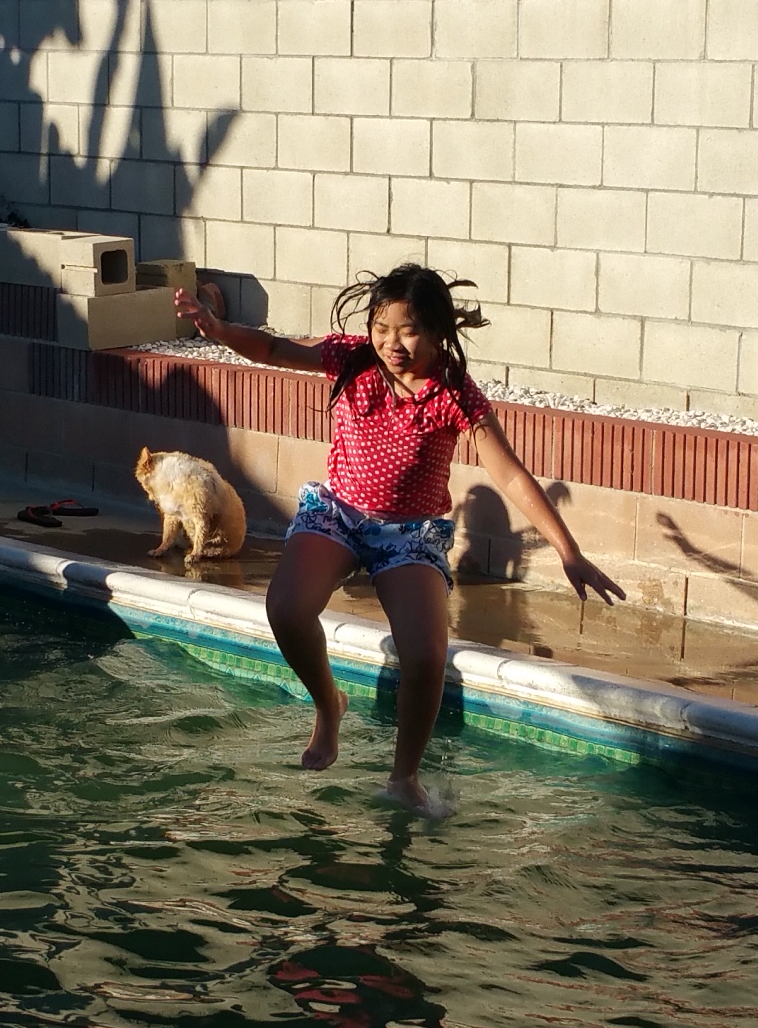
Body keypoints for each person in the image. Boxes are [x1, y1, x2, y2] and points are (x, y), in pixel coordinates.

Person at [176, 264, 623, 818]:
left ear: (437, 333)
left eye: (408, 331)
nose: (392, 343)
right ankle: (329, 705)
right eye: (381, 328)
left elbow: (507, 473)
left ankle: (403, 777)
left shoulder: (453, 393)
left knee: (426, 656)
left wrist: (568, 550)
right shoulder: (351, 359)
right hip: (339, 514)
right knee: (286, 608)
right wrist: (220, 330)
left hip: (409, 534)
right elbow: (272, 348)